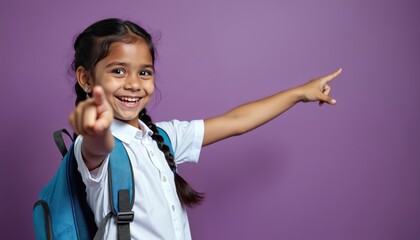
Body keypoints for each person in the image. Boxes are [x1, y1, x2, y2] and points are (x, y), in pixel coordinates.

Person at [69, 18, 342, 240]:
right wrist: (95, 129)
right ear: (86, 78)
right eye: (118, 71)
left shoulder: (162, 137)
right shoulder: (91, 144)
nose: (134, 84)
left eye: (144, 72)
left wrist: (299, 93)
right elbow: (98, 147)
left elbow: (236, 121)